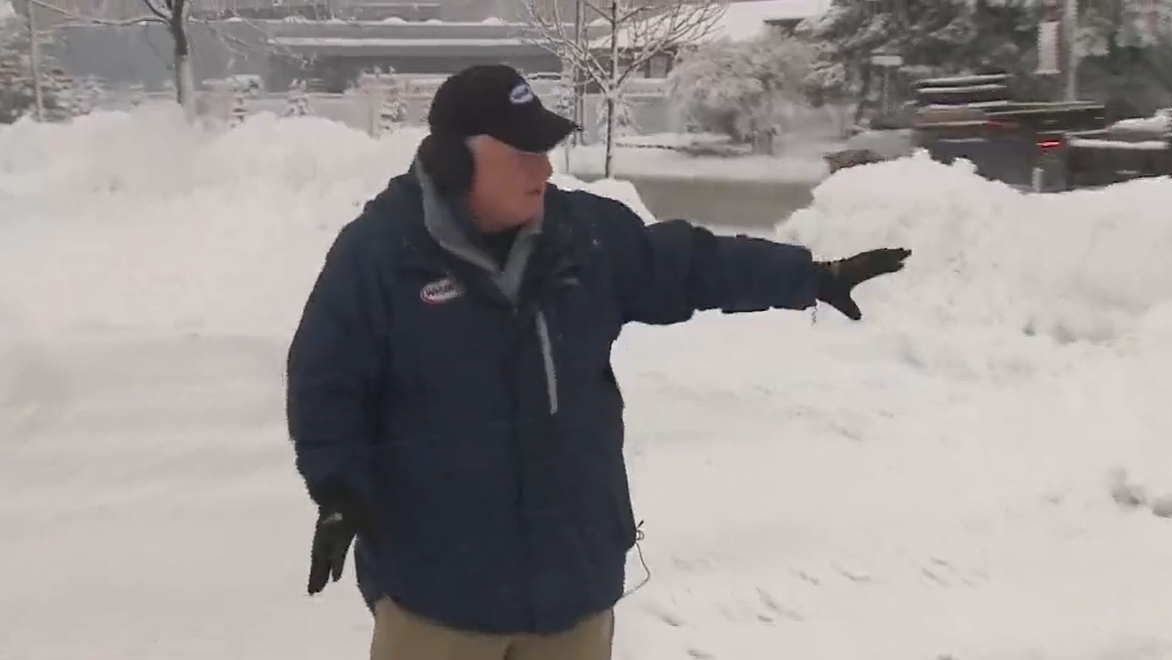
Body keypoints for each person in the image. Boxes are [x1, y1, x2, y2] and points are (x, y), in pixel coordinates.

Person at [286, 64, 910, 660]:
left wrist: (810, 276)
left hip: (572, 584)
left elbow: (692, 264)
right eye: (522, 153)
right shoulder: (381, 254)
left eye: (545, 150)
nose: (543, 168)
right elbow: (327, 380)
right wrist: (338, 488)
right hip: (440, 593)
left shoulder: (582, 237)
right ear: (455, 162)